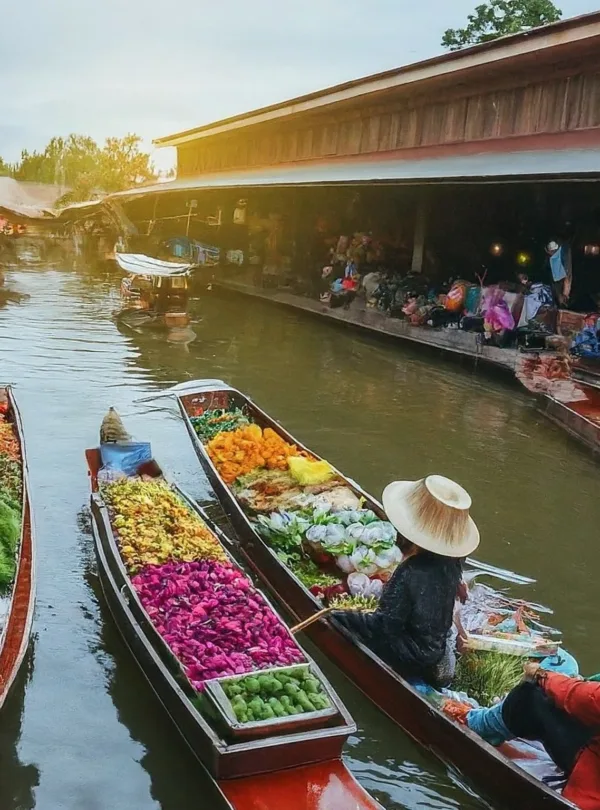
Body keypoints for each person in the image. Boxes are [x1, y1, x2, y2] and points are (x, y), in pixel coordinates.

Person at [331, 475, 479, 687]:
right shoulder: (452, 563)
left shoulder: (411, 571)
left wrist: (342, 616)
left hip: (412, 655)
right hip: (434, 648)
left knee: (344, 621)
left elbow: (384, 627)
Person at [466, 663, 600, 810]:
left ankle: (477, 724)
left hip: (586, 799)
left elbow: (578, 696)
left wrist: (541, 674)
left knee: (531, 694)